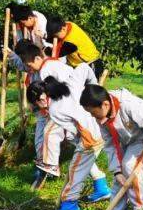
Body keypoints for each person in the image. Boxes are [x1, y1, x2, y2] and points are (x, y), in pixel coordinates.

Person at [13, 39, 109, 199]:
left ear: (37, 58)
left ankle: (52, 169)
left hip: (77, 113)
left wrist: (92, 88)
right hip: (74, 115)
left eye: (29, 65)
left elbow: (70, 89)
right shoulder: (45, 69)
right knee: (81, 149)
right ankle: (101, 185)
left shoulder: (49, 70)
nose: (29, 69)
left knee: (54, 135)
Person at [80, 84, 143, 210]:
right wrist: (117, 171)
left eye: (93, 112)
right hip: (131, 136)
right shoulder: (103, 118)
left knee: (130, 166)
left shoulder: (128, 105)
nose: (92, 116)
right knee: (120, 177)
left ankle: (141, 207)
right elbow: (110, 145)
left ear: (105, 104)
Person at [27, 78, 106, 210]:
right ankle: (101, 187)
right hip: (94, 130)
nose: (39, 107)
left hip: (89, 137)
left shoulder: (55, 110)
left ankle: (70, 207)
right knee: (82, 165)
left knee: (74, 170)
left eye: (37, 103)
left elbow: (51, 133)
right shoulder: (66, 90)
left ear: (42, 99)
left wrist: (50, 165)